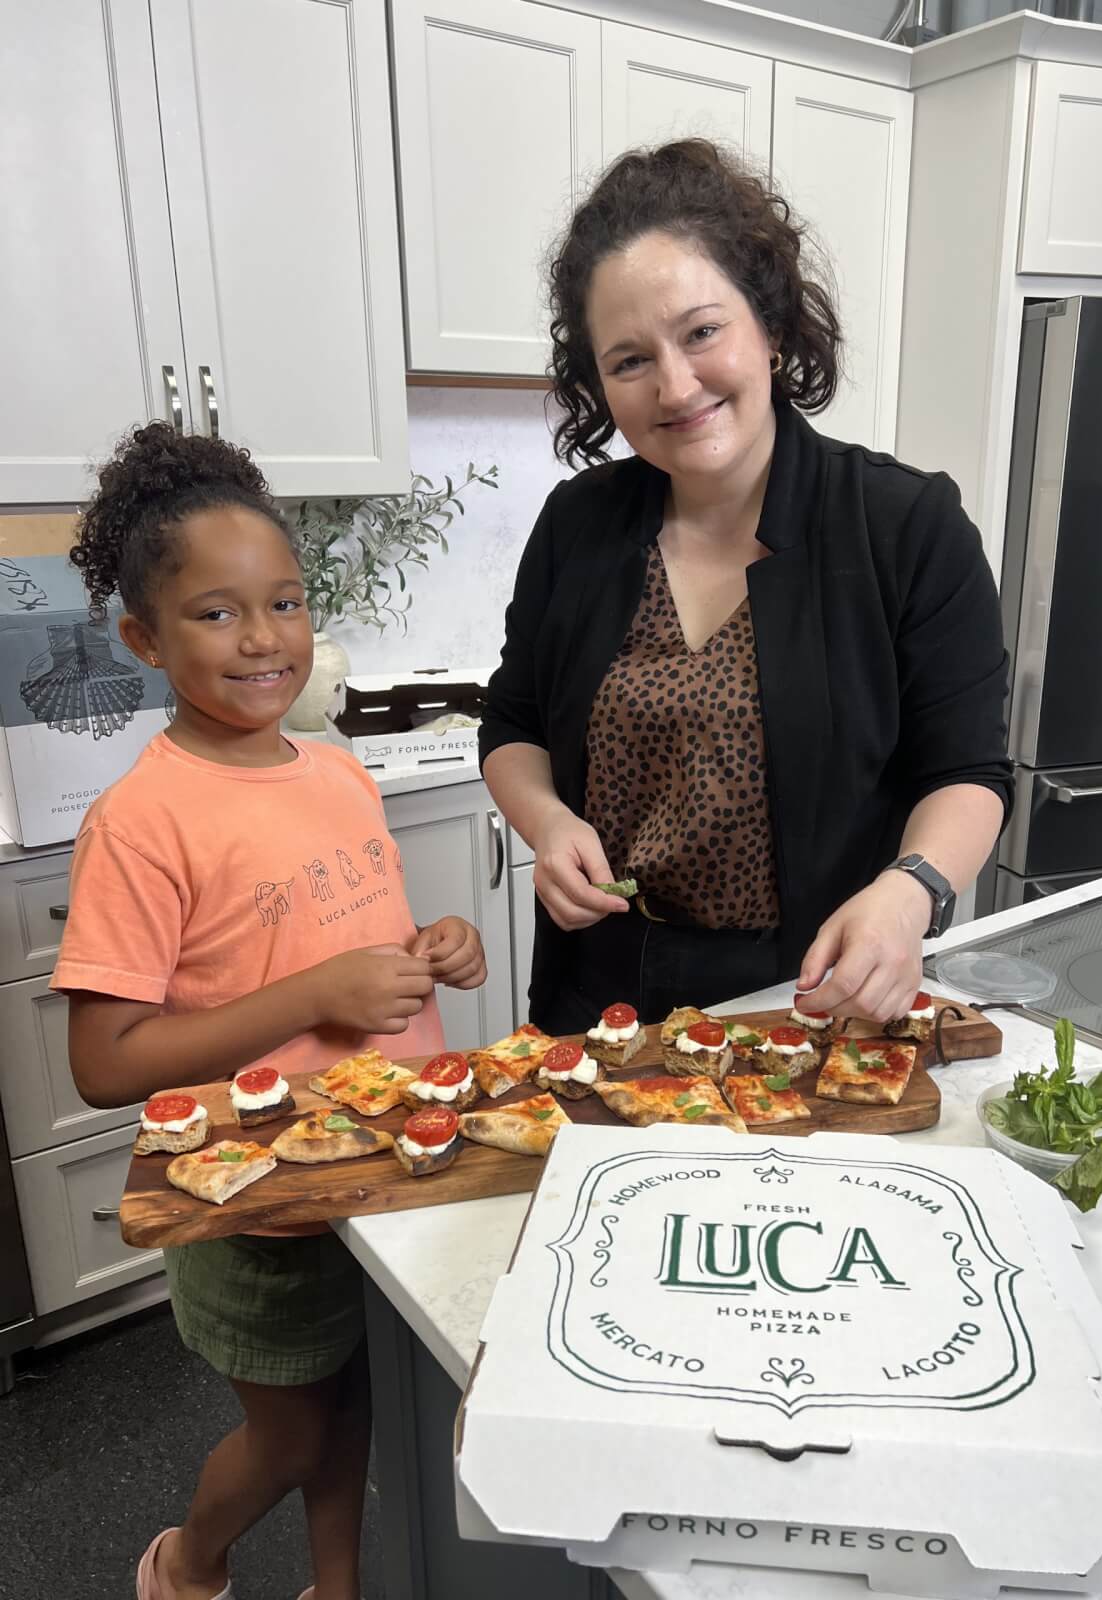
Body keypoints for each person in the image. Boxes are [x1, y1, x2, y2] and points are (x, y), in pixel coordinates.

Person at [51, 423, 486, 1600]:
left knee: (355, 1405)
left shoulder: (335, 769)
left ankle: (335, 1586)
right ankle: (190, 1562)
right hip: (261, 1198)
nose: (264, 639)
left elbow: (344, 944)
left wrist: (429, 949)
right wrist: (312, 996)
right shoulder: (143, 821)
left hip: (388, 1162)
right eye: (217, 613)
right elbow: (105, 1058)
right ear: (142, 636)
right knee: (290, 1433)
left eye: (286, 602)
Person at [480, 139, 1013, 1035]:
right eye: (629, 360)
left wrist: (910, 891)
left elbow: (967, 772)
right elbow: (514, 722)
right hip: (598, 993)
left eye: (701, 332)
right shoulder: (579, 527)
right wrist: (545, 822)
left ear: (768, 327)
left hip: (808, 994)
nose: (676, 385)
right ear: (599, 385)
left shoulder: (907, 528)